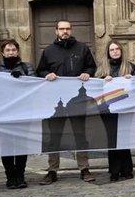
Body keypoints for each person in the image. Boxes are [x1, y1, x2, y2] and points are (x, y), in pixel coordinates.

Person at [36, 19, 98, 184]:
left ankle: (84, 168)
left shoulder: (82, 48)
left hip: (77, 101)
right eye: (62, 29)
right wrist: (46, 74)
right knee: (54, 136)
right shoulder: (48, 51)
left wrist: (87, 73)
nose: (65, 31)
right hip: (56, 101)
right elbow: (40, 70)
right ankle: (52, 170)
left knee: (80, 134)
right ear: (56, 31)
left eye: (67, 29)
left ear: (71, 30)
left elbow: (91, 67)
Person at [0, 39, 34, 189]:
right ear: (3, 53)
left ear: (17, 51)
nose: (11, 53)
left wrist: (22, 79)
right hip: (4, 114)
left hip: (23, 113)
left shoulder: (27, 67)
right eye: (8, 50)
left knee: (22, 146)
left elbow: (34, 85)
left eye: (13, 50)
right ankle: (10, 176)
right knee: (7, 146)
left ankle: (20, 176)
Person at [97, 40, 135, 181]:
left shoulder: (130, 67)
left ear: (121, 51)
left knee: (124, 138)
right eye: (112, 50)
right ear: (108, 52)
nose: (115, 52)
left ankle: (127, 170)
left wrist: (132, 79)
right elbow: (95, 89)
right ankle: (114, 171)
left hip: (126, 109)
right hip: (108, 110)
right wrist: (103, 80)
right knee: (112, 139)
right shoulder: (102, 69)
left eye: (117, 49)